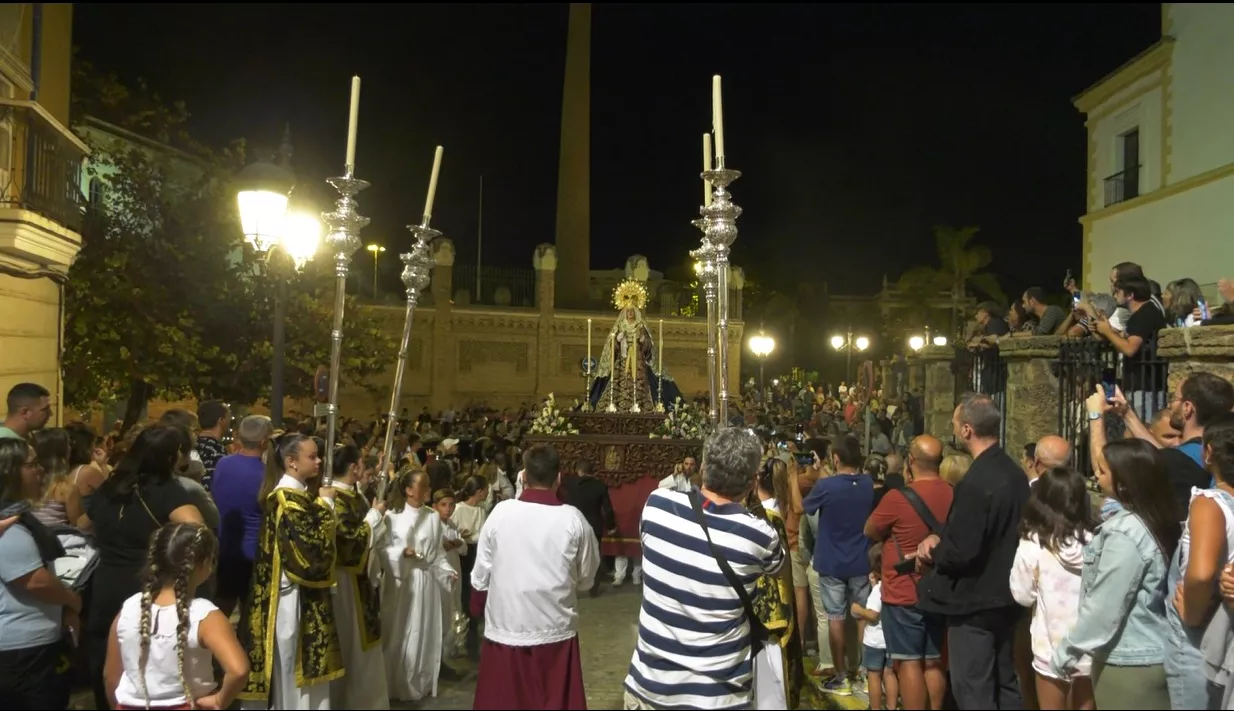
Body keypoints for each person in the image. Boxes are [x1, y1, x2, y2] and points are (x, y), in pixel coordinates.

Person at [624, 428, 783, 710]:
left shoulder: (657, 506)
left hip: (650, 686)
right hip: (717, 696)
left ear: (704, 468)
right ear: (751, 482)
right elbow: (778, 569)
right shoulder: (759, 536)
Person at [917, 393, 1030, 710]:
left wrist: (935, 552)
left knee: (973, 690)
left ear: (967, 430)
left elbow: (962, 550)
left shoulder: (978, 480)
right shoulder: (1013, 473)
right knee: (1005, 683)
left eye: (955, 424)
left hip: (974, 603)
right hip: (1006, 597)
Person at [1051, 439, 1178, 708]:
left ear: (1124, 481)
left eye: (1104, 470)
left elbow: (1105, 604)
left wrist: (1067, 651)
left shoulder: (1125, 533)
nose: (1096, 475)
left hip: (1128, 664)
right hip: (1147, 654)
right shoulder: (1154, 519)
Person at [472, 445, 600, 710]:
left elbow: (481, 575)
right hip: (553, 628)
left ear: (524, 477)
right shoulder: (573, 520)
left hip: (507, 625)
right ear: (559, 477)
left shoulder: (500, 514)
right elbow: (587, 577)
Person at [237, 433, 341, 710]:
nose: (319, 461)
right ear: (292, 462)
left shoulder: (297, 497)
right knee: (293, 674)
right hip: (292, 600)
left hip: (300, 597)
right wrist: (327, 506)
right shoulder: (288, 501)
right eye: (312, 456)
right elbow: (310, 553)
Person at [104, 522, 248, 710]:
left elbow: (111, 677)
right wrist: (220, 700)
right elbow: (238, 670)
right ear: (204, 564)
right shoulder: (203, 615)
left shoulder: (130, 608)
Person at [0, 437, 80, 709]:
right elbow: (35, 581)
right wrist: (72, 600)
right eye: (32, 464)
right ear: (9, 472)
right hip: (21, 650)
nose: (41, 470)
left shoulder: (17, 517)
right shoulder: (8, 527)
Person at [1009, 467, 1095, 711]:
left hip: (1050, 644)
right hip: (1090, 646)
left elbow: (1022, 596)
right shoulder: (1097, 540)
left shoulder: (1033, 543)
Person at [380, 468, 456, 702]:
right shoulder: (393, 517)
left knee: (423, 630)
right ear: (409, 490)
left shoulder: (432, 516)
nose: (427, 491)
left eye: (428, 485)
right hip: (403, 581)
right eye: (423, 486)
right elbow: (381, 549)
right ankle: (396, 684)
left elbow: (437, 553)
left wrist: (447, 571)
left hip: (426, 582)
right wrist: (402, 551)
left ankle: (419, 682)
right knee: (400, 631)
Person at [326, 445, 389, 709]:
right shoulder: (335, 500)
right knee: (350, 645)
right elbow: (348, 544)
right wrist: (375, 516)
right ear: (354, 467)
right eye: (362, 463)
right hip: (346, 583)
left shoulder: (353, 495)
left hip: (360, 580)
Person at [588, 280, 680, 412]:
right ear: (624, 312)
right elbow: (612, 344)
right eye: (628, 311)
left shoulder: (640, 326)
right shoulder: (620, 326)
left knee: (640, 380)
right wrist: (618, 339)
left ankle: (641, 405)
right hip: (623, 358)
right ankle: (615, 406)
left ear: (635, 312)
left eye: (632, 311)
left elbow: (649, 346)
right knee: (618, 380)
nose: (630, 313)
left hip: (637, 358)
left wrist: (643, 340)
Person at [853, 546, 897, 711]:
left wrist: (857, 609)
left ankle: (876, 707)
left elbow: (872, 615)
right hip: (891, 640)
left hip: (874, 642)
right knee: (890, 673)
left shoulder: (878, 591)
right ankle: (892, 707)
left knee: (873, 675)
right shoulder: (891, 586)